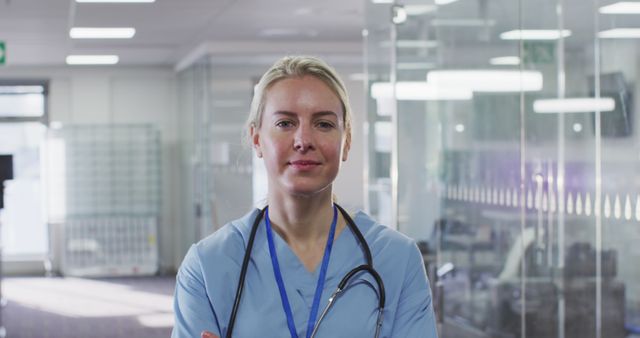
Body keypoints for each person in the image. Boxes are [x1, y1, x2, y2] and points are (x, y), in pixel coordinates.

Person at [172, 55, 438, 338]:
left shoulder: (397, 258)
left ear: (346, 142)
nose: (303, 140)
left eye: (323, 124)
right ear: (256, 138)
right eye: (285, 123)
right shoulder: (207, 265)